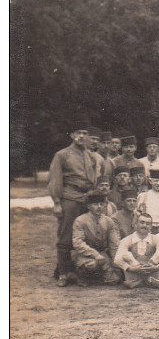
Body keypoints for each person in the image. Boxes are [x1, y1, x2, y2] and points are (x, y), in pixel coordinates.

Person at [48, 121, 103, 285]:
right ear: (72, 135)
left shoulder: (91, 155)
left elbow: (95, 176)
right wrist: (57, 202)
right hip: (69, 197)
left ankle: (79, 270)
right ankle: (63, 273)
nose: (81, 136)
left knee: (84, 234)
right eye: (78, 133)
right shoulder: (62, 155)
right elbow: (55, 179)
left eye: (84, 133)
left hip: (86, 199)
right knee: (66, 235)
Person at [70, 192, 123, 286]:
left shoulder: (108, 221)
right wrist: (95, 254)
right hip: (85, 254)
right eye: (95, 204)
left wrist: (116, 262)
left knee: (115, 279)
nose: (99, 207)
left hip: (102, 254)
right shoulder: (80, 220)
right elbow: (78, 243)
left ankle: (98, 276)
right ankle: (81, 275)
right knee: (92, 264)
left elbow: (114, 244)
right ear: (89, 206)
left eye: (101, 204)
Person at [113, 213, 159, 289]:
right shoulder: (127, 240)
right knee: (126, 255)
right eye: (142, 222)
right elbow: (117, 259)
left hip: (151, 271)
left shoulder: (156, 239)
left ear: (151, 226)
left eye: (148, 224)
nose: (144, 225)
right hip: (134, 272)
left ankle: (148, 281)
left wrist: (158, 267)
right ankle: (143, 281)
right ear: (136, 224)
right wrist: (131, 268)